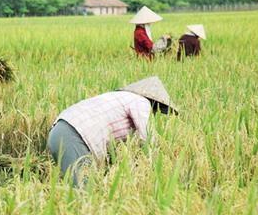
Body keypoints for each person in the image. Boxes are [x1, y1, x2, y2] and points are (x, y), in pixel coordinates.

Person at [47, 76, 178, 186]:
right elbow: (147, 138)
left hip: (59, 131)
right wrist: (164, 161)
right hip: (74, 136)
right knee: (84, 195)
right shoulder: (141, 101)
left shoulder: (117, 98)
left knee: (77, 189)